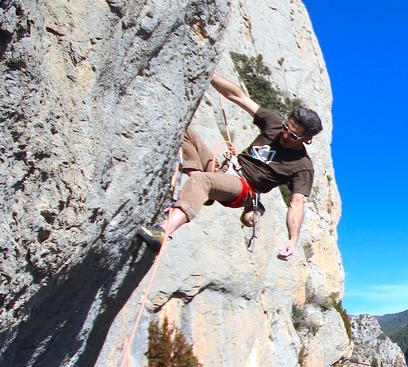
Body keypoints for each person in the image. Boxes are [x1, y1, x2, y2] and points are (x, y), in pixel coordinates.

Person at [137, 73, 321, 260]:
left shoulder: (302, 166)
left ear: (308, 140)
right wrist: (208, 73)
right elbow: (238, 96)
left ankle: (163, 231)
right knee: (185, 132)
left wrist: (293, 238)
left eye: (293, 136)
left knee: (203, 181)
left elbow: (296, 203)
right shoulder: (273, 123)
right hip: (224, 169)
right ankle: (203, 191)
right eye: (286, 127)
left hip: (243, 189)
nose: (285, 135)